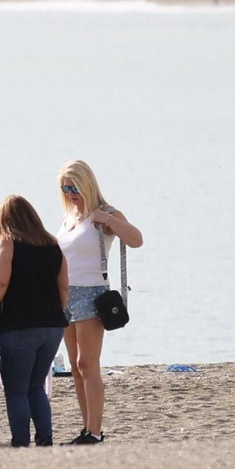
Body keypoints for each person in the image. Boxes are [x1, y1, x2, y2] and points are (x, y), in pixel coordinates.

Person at [55, 160, 144, 445]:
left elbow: (136, 239)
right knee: (74, 365)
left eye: (74, 187)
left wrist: (108, 221)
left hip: (92, 294)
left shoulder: (105, 213)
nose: (70, 193)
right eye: (65, 188)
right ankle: (86, 428)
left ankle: (95, 431)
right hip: (65, 294)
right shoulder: (69, 216)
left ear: (87, 184)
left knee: (87, 363)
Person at [0, 197, 68, 448]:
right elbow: (63, 288)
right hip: (52, 326)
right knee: (36, 387)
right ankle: (45, 439)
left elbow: (0, 281)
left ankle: (21, 442)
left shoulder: (7, 241)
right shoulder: (53, 244)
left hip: (19, 326)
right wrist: (51, 315)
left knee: (16, 389)